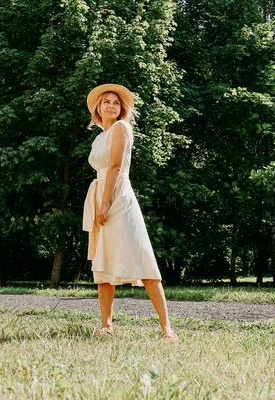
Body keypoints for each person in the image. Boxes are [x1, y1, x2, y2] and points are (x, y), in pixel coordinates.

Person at [83, 83, 180, 342]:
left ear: (121, 108)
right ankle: (106, 325)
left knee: (142, 258)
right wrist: (98, 204)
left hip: (118, 198)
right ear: (98, 108)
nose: (111, 106)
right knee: (103, 265)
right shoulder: (98, 137)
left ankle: (167, 328)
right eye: (106, 102)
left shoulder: (122, 128)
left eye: (116, 102)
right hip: (99, 194)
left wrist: (105, 204)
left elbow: (115, 167)